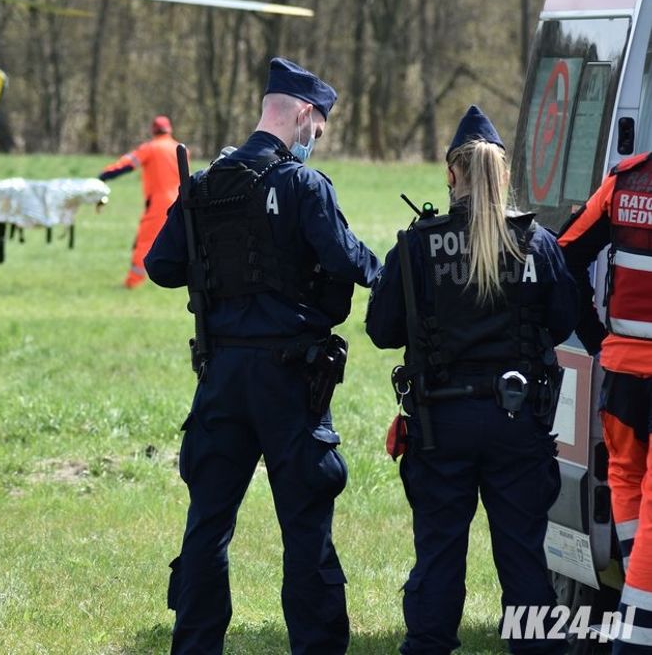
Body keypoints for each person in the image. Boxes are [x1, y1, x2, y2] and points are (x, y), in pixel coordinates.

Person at [145, 57, 380, 654]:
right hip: (290, 382)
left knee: (207, 527)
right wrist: (398, 271)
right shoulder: (302, 186)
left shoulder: (205, 184)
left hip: (221, 376)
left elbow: (161, 266)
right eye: (317, 130)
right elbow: (352, 261)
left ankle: (195, 646)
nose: (316, 143)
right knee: (305, 530)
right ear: (303, 114)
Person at [365, 105, 578, 654]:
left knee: (438, 555)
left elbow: (383, 330)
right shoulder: (537, 243)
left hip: (440, 424)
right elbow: (563, 322)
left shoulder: (416, 246)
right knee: (526, 560)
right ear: (505, 174)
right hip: (519, 423)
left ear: (450, 174)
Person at [558, 148, 652, 653]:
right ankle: (635, 638)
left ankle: (634, 580)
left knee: (626, 480)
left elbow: (564, 254)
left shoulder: (624, 181)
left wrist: (597, 337)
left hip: (621, 373)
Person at [99, 115, 181, 288]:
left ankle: (133, 282)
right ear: (169, 130)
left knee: (144, 242)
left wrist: (104, 175)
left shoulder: (150, 148)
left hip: (159, 203)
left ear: (153, 130)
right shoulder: (180, 149)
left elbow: (126, 165)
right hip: (180, 201)